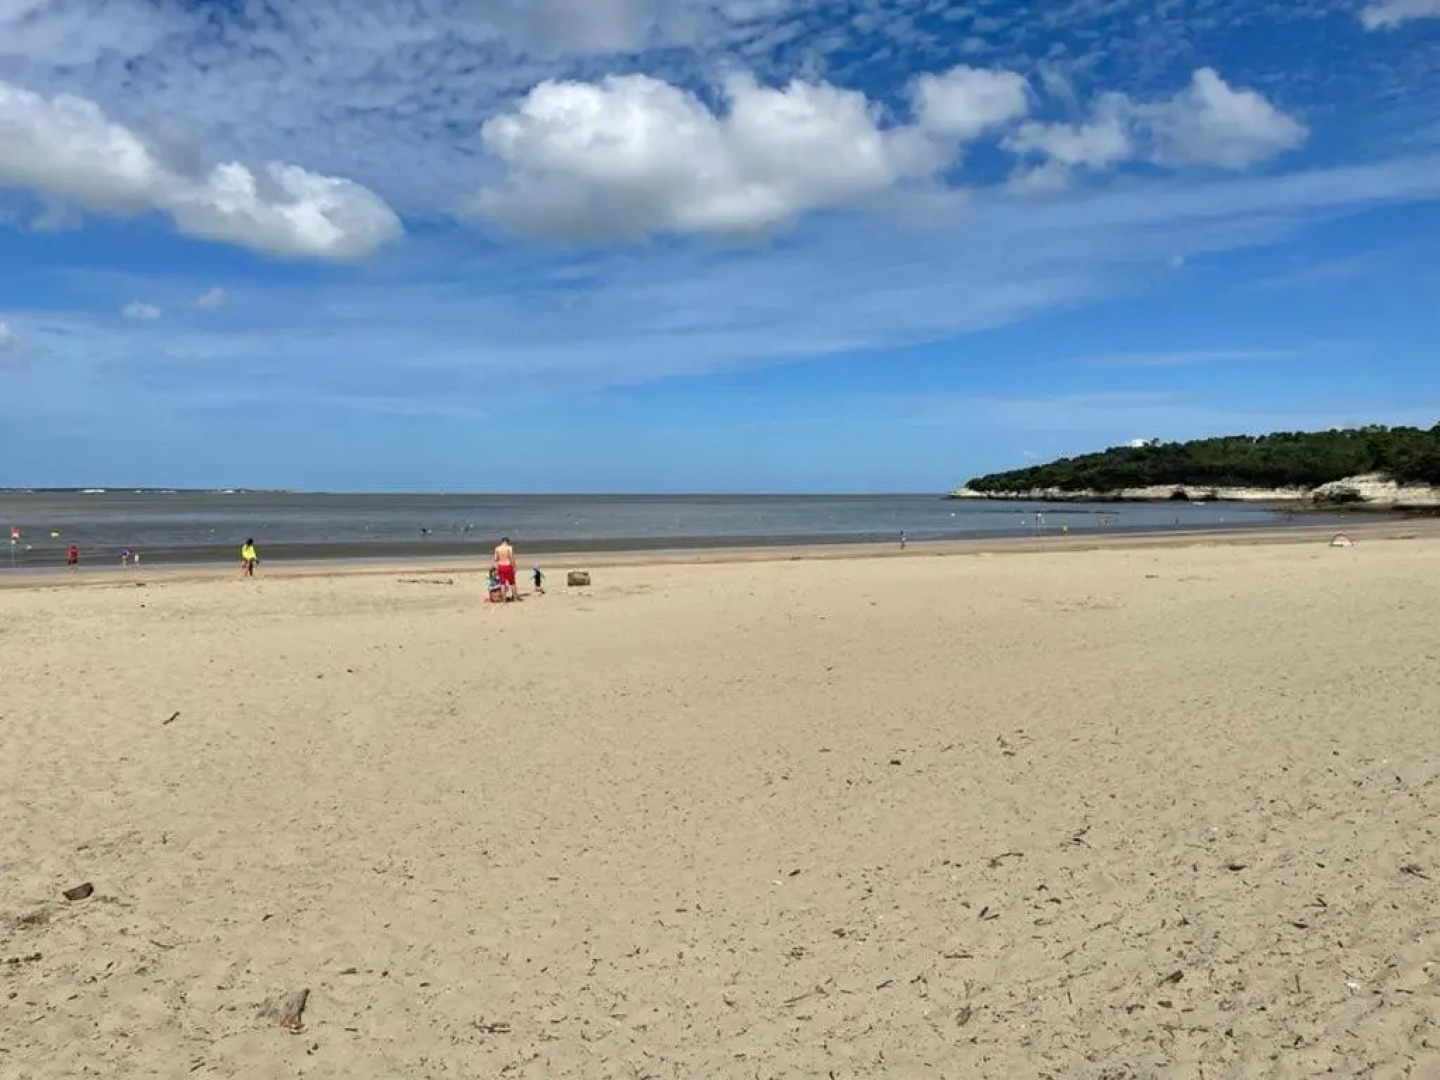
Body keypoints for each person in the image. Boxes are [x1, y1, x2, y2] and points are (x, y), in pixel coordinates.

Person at [493, 536, 517, 601]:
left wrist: (496, 568)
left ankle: (504, 600)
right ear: (507, 541)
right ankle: (515, 598)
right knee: (512, 583)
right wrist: (514, 567)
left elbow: (495, 559)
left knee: (502, 584)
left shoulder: (497, 548)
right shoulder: (509, 548)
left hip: (500, 566)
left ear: (502, 542)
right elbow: (511, 558)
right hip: (508, 565)